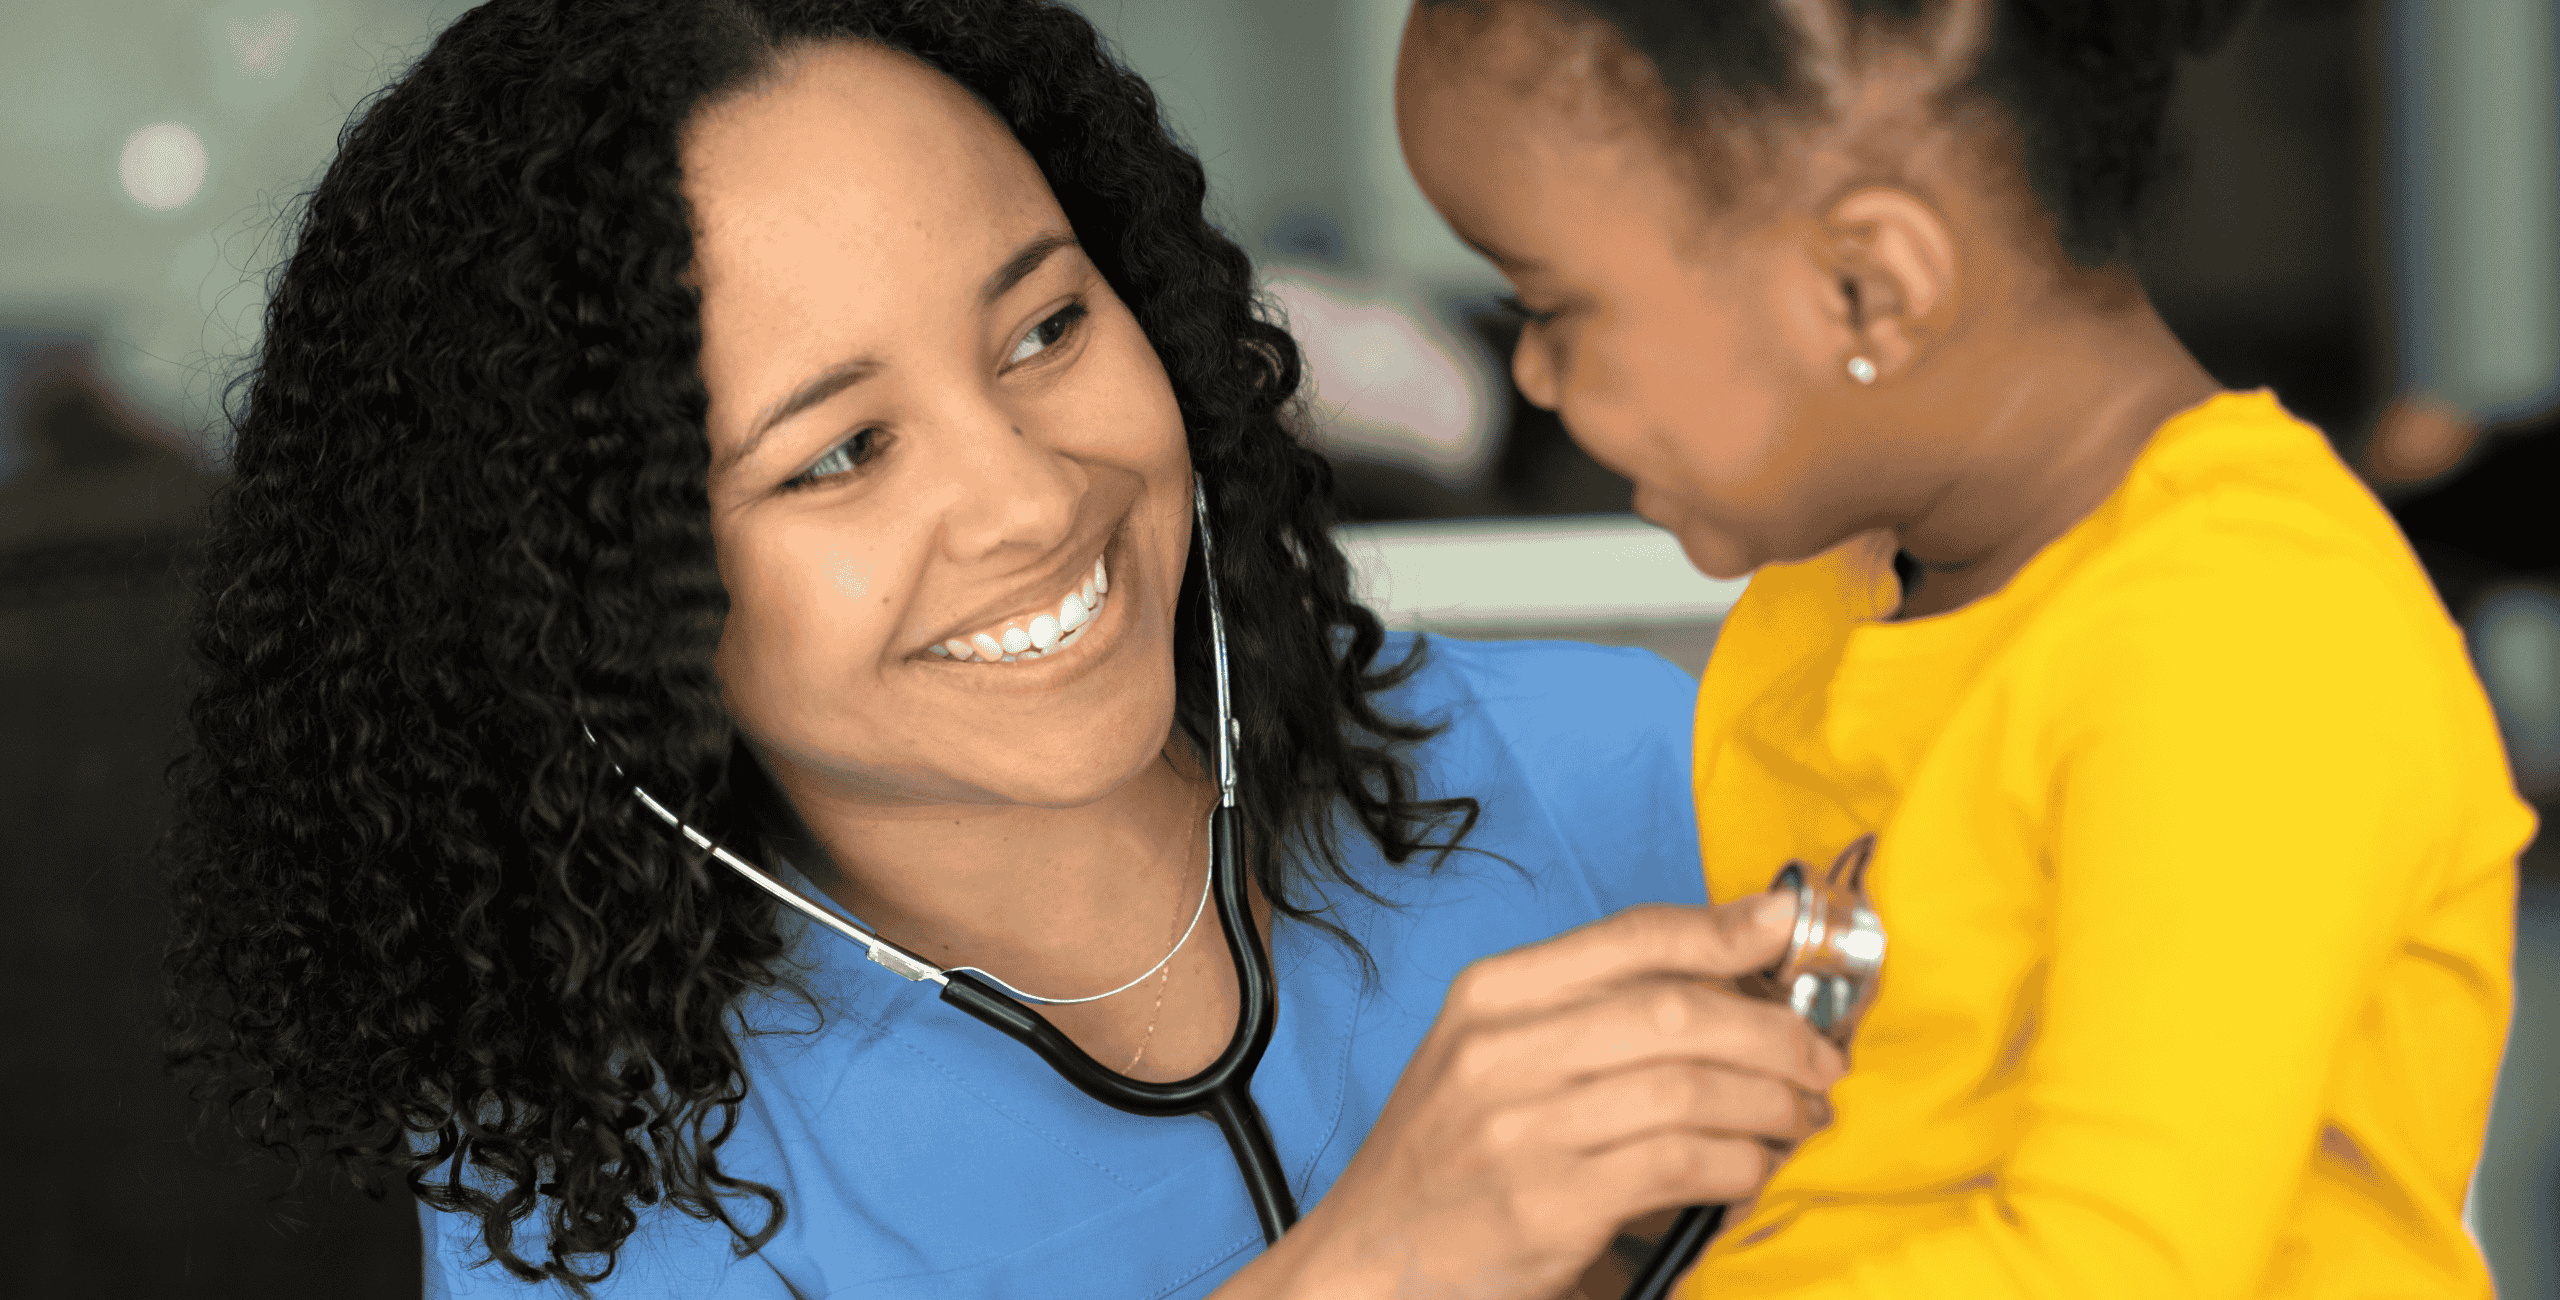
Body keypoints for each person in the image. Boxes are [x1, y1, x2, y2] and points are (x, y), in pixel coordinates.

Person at [160, 2, 1851, 1298]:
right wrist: (1370, 1269)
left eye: (1045, 329)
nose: (1033, 497)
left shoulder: (1634, 776)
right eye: (840, 453)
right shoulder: (605, 1166)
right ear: (596, 601)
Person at [1394, 0, 2533, 1296]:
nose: (1533, 379)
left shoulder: (2249, 636)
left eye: (1552, 308)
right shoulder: (1827, 605)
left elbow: (2114, 1262)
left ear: (1868, 289)